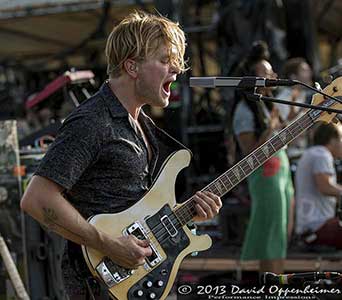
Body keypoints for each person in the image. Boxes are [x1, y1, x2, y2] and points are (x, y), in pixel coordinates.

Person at [20, 11, 222, 299]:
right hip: (97, 285)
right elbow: (37, 199)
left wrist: (188, 214)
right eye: (165, 61)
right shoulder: (92, 121)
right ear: (132, 66)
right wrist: (109, 245)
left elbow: (137, 211)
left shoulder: (143, 124)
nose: (176, 70)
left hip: (141, 281)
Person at [232, 41, 294, 274]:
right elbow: (250, 154)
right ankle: (271, 286)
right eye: (267, 73)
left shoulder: (266, 106)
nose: (274, 76)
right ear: (253, 80)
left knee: (281, 231)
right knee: (271, 232)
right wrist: (270, 128)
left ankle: (277, 284)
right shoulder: (245, 111)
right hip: (266, 177)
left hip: (281, 172)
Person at [295, 122, 342, 248]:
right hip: (317, 227)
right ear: (332, 140)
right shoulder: (322, 155)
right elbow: (324, 187)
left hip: (310, 228)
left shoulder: (311, 153)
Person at [275, 57, 313, 123]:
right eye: (304, 71)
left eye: (309, 70)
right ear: (293, 76)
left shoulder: (306, 94)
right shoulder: (282, 99)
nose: (310, 73)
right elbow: (286, 126)